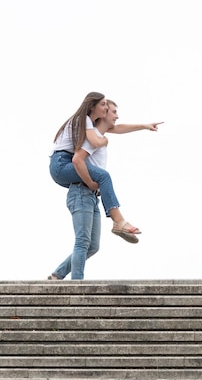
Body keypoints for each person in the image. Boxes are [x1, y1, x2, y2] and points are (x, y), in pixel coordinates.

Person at [49, 100, 161, 280]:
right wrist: (91, 183)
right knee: (82, 242)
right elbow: (77, 160)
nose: (116, 115)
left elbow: (120, 128)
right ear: (102, 113)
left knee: (93, 246)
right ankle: (77, 285)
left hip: (91, 195)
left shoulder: (98, 134)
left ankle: (57, 275)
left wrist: (144, 126)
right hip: (81, 192)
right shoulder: (92, 138)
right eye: (112, 111)